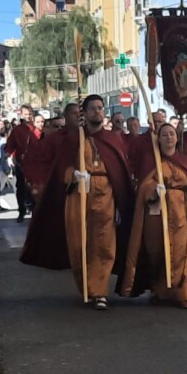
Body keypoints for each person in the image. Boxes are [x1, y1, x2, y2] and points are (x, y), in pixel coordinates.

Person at [21, 95, 135, 310]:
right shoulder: (73, 139)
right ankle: (88, 287)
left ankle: (100, 291)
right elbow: (59, 167)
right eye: (93, 109)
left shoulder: (113, 138)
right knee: (79, 244)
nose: (97, 112)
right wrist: (72, 174)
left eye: (100, 108)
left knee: (104, 244)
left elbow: (121, 169)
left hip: (105, 194)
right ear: (85, 112)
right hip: (78, 196)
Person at [120, 123, 187, 308]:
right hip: (156, 212)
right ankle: (160, 290)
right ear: (158, 138)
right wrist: (153, 189)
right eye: (164, 134)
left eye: (171, 134)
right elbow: (142, 187)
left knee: (182, 252)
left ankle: (184, 292)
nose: (168, 137)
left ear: (176, 137)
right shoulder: (151, 161)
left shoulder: (186, 160)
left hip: (181, 211)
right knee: (157, 252)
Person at [5, 104, 41, 222]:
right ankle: (21, 211)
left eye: (30, 114)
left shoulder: (37, 127)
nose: (28, 117)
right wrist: (9, 156)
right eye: (26, 114)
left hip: (36, 163)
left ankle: (35, 211)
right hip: (21, 163)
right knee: (21, 187)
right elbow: (10, 145)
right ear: (21, 115)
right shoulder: (17, 130)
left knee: (35, 188)